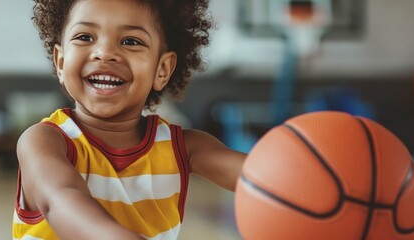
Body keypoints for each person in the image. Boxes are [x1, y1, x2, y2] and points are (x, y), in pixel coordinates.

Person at [13, 0, 245, 239]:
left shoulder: (184, 149)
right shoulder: (43, 141)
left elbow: (264, 179)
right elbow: (60, 200)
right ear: (60, 62)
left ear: (162, 69)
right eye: (84, 37)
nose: (105, 53)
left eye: (130, 41)